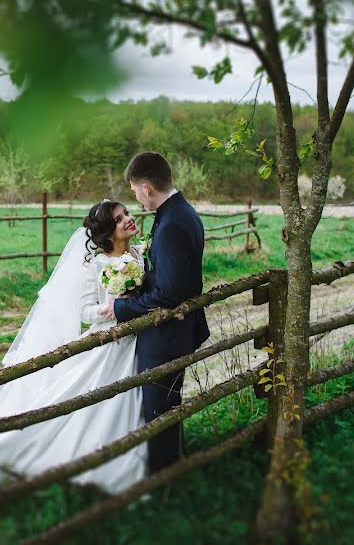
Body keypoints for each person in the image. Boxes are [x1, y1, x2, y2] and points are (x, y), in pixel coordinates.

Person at [0, 200, 148, 496]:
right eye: (120, 218)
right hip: (109, 339)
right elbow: (84, 311)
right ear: (108, 233)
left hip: (138, 337)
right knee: (83, 392)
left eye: (126, 213)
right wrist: (110, 309)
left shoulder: (139, 253)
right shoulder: (97, 264)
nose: (129, 218)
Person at [101, 152, 210, 474]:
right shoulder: (178, 213)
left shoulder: (174, 223)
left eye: (135, 190)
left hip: (168, 334)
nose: (135, 197)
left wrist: (120, 306)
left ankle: (164, 474)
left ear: (147, 188)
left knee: (159, 407)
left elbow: (171, 294)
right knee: (165, 402)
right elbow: (169, 277)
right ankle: (170, 460)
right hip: (173, 329)